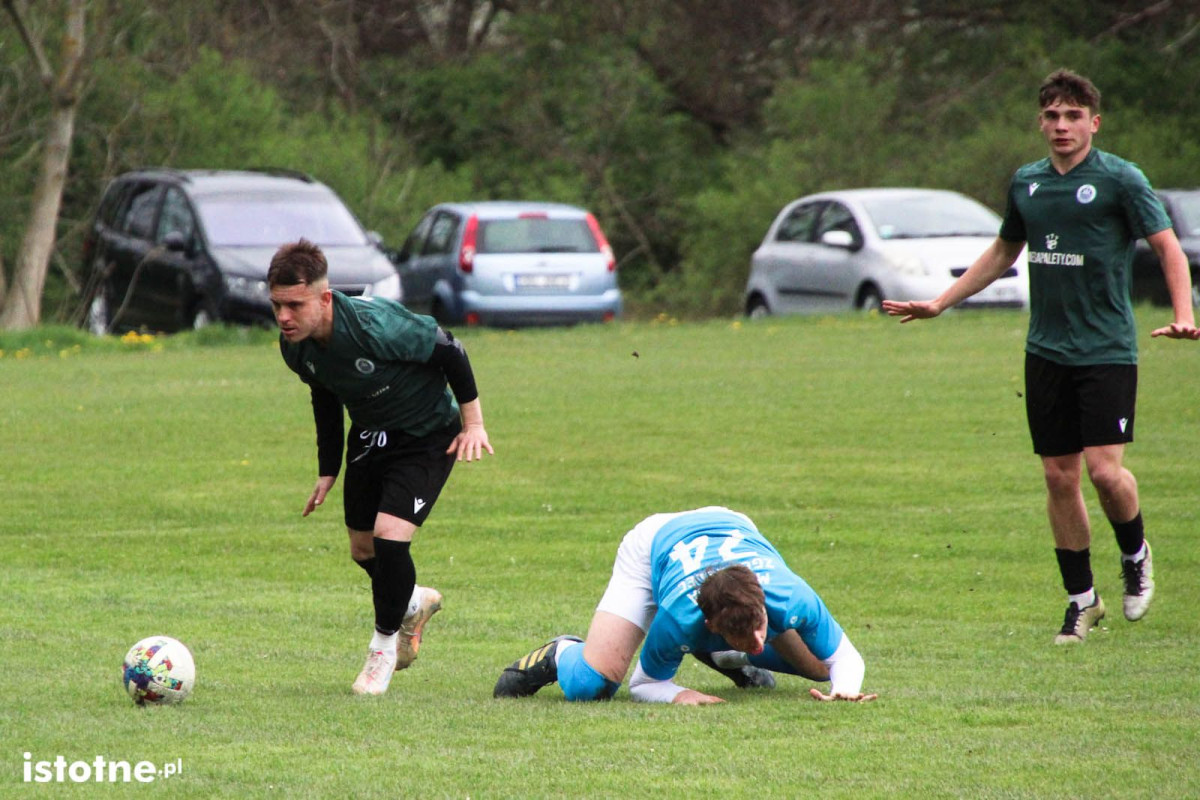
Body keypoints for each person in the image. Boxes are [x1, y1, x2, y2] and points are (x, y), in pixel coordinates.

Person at [882, 69, 1199, 644]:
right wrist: (940, 302)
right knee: (1058, 477)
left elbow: (1167, 247)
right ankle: (1082, 601)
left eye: (1073, 116)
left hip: (1105, 349)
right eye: (1052, 115)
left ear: (1093, 123)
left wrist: (1185, 313)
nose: (1061, 125)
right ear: (1040, 122)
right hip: (1045, 351)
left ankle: (1135, 553)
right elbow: (1004, 249)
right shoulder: (1027, 183)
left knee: (1105, 472)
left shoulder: (1121, 180)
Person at [268, 239, 493, 695]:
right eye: (276, 305)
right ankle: (410, 602)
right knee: (363, 550)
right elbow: (325, 394)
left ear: (325, 297)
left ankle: (384, 648)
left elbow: (450, 349)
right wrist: (329, 467)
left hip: (428, 434)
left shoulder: (376, 326)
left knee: (391, 539)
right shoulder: (295, 347)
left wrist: (473, 423)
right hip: (372, 435)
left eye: (295, 304)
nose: (284, 317)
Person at [493, 506, 876, 704]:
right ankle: (562, 652)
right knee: (593, 685)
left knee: (817, 668)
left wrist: (844, 690)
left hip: (729, 523)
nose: (760, 641)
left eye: (759, 626)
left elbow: (847, 658)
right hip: (652, 545)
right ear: (710, 624)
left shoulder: (791, 595)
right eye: (739, 636)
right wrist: (677, 694)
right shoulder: (679, 617)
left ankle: (726, 657)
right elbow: (645, 683)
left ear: (762, 602)